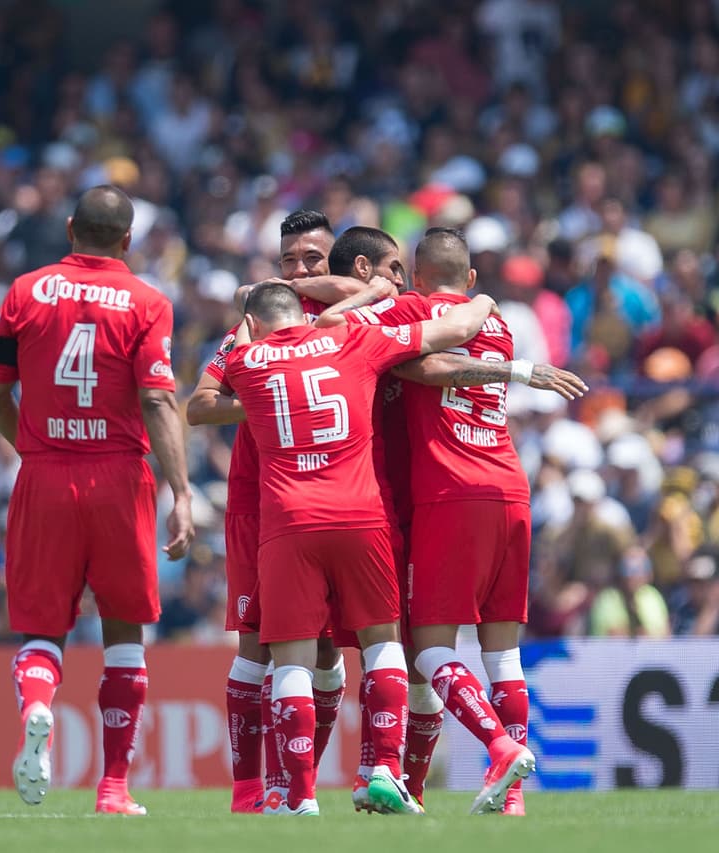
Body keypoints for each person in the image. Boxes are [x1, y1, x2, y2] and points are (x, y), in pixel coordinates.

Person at [315, 227, 584, 811]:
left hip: (449, 493)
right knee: (503, 655)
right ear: (469, 278)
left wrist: (373, 299)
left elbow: (350, 335)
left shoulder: (409, 308)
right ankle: (510, 800)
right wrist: (487, 309)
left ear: (412, 275)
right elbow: (451, 342)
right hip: (511, 488)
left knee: (430, 650)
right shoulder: (500, 323)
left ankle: (499, 747)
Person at [222, 281, 498, 816]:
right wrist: (483, 301)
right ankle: (386, 772)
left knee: (294, 661)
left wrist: (247, 312)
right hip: (360, 516)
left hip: (288, 524)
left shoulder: (246, 360)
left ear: (256, 325)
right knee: (383, 645)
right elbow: (458, 329)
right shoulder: (355, 341)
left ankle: (299, 797)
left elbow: (222, 369)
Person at [0, 184, 194, 815]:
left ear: (71, 227)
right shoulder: (149, 300)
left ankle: (40, 705)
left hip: (44, 474)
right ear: (127, 239)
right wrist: (181, 491)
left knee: (42, 629)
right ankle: (114, 788)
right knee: (123, 633)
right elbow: (157, 399)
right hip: (119, 478)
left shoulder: (26, 290)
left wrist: (31, 448)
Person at [185, 209, 384, 814]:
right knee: (260, 645)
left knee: (327, 655)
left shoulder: (351, 323)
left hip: (344, 498)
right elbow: (198, 404)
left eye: (312, 261)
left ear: (339, 265)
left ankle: (294, 784)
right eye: (289, 261)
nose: (298, 271)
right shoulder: (249, 333)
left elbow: (382, 295)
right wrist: (280, 400)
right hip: (262, 500)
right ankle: (252, 791)